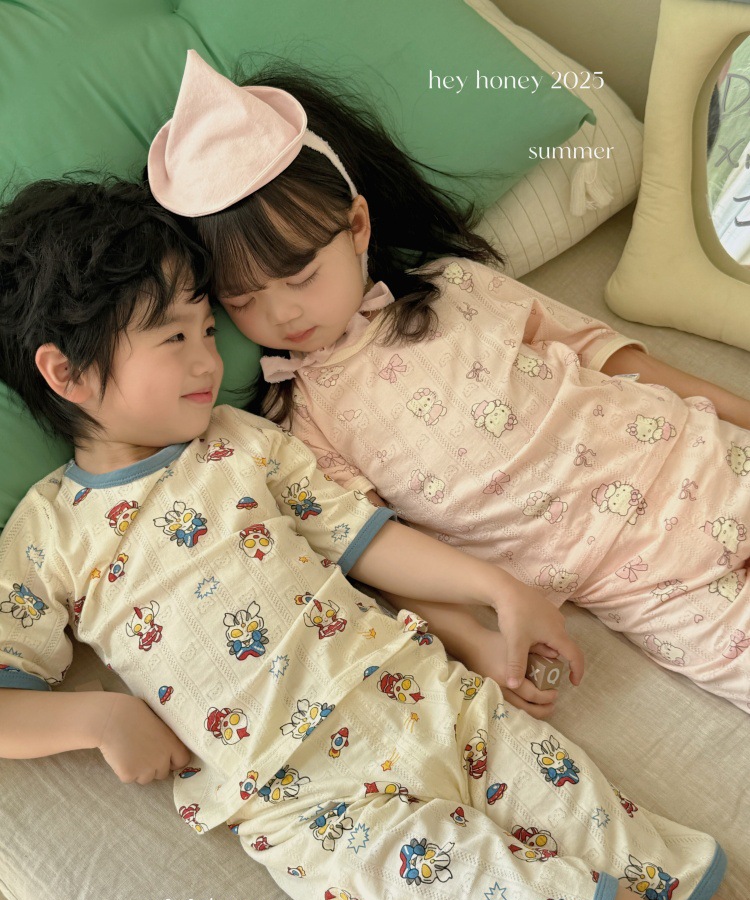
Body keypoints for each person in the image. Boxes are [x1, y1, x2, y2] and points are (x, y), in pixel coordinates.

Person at [0, 179, 749, 900]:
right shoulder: (50, 533)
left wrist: (498, 590)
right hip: (324, 804)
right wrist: (99, 720)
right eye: (173, 337)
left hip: (442, 706)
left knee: (668, 882)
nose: (208, 360)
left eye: (207, 329)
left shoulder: (242, 441)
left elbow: (361, 536)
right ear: (66, 374)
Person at [148, 51, 750, 714]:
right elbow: (381, 548)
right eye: (243, 300)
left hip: (700, 455)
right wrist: (475, 641)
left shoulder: (456, 286)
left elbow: (610, 355)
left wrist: (741, 409)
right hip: (644, 582)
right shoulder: (305, 418)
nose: (282, 314)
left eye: (301, 278)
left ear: (357, 226)